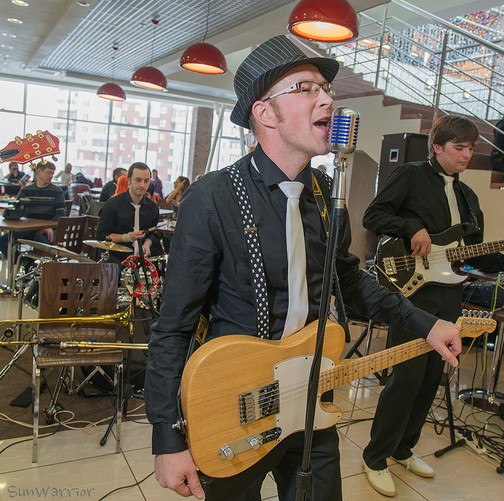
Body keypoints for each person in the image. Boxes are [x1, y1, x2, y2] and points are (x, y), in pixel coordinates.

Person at [144, 35, 462, 501]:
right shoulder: (212, 198)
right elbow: (173, 326)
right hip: (237, 403)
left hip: (311, 403)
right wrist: (168, 438)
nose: (327, 99)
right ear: (265, 113)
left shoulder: (326, 197)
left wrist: (425, 323)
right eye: (306, 88)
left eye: (325, 88)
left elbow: (347, 279)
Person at [361, 115, 504, 497]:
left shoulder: (468, 197)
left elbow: (474, 256)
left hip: (450, 295)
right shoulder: (411, 175)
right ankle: (375, 457)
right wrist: (411, 228)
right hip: (413, 294)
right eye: (459, 147)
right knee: (406, 378)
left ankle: (403, 449)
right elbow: (372, 216)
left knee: (431, 378)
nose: (466, 155)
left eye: (471, 148)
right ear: (437, 147)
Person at [96, 162, 161, 262]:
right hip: (117, 259)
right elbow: (101, 235)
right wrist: (126, 237)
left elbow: (153, 232)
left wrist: (147, 244)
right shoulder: (112, 204)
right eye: (138, 180)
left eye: (146, 181)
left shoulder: (153, 207)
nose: (142, 185)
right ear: (129, 181)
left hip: (142, 260)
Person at [0, 161, 65, 254]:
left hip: (47, 229)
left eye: (52, 173)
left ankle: (41, 261)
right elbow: (18, 211)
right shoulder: (26, 190)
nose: (51, 176)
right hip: (28, 228)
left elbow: (61, 214)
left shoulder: (57, 191)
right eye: (49, 172)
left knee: (40, 239)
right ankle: (22, 260)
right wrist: (5, 212)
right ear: (38, 172)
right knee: (2, 241)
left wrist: (50, 226)